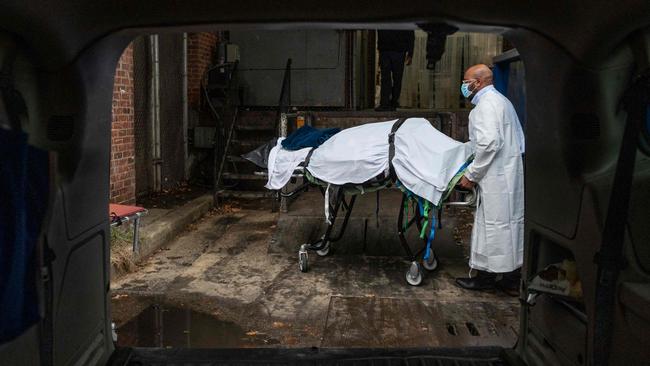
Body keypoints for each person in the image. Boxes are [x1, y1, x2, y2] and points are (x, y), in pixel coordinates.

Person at [455, 64, 525, 293]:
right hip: (508, 173)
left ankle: (490, 279)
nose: (464, 87)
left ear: (479, 82)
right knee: (506, 226)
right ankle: (506, 279)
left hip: (495, 176)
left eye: (466, 82)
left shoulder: (485, 107)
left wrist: (471, 175)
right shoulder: (503, 102)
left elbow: (488, 144)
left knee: (494, 227)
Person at [375, 30, 414, 111]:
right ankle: (392, 102)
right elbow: (410, 33)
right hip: (397, 49)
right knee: (396, 78)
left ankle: (386, 103)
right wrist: (410, 52)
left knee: (387, 78)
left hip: (387, 48)